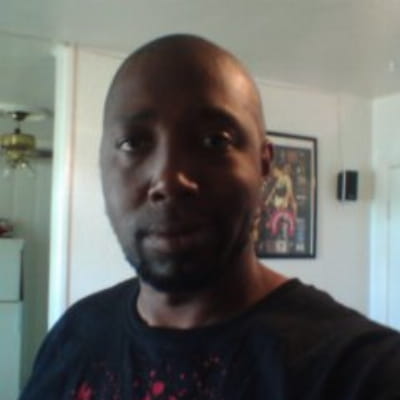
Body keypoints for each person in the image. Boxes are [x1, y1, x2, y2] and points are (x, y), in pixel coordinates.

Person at [20, 34, 400, 400]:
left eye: (215, 141)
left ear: (264, 165)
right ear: (102, 164)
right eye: (133, 142)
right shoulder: (74, 335)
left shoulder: (365, 372)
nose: (169, 179)